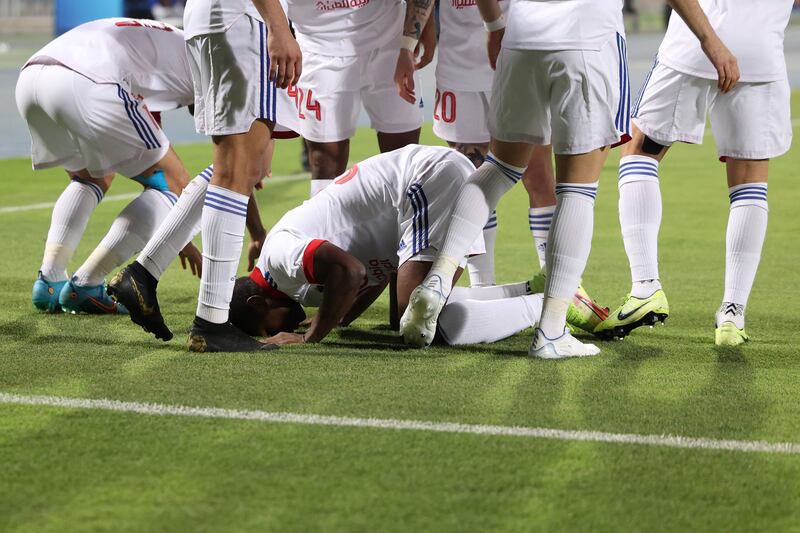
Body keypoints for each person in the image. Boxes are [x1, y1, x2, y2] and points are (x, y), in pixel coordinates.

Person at [399, 0, 737, 358]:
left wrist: (495, 26)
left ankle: (438, 278)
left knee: (497, 168)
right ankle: (551, 331)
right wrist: (709, 40)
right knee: (577, 189)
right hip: (588, 39)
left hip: (522, 37)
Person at [226, 145, 607, 345]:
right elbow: (364, 273)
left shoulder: (277, 257)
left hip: (423, 182)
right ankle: (532, 290)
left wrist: (311, 337)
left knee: (422, 324)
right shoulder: (288, 280)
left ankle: (549, 304)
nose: (272, 334)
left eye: (264, 329)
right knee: (405, 317)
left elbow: (349, 270)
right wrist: (338, 316)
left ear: (259, 302)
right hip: (421, 188)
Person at [597, 0, 791, 347]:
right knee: (750, 181)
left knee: (639, 152)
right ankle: (733, 314)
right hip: (761, 52)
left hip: (696, 44)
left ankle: (645, 287)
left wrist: (710, 41)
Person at [15, 17, 200, 314]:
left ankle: (49, 281)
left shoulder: (167, 43)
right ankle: (87, 284)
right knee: (171, 186)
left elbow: (144, 130)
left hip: (33, 77)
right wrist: (181, 234)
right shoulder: (207, 68)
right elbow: (182, 176)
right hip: (88, 82)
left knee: (90, 178)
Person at [397, 0, 557, 289]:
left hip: (515, 55)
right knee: (471, 176)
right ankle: (483, 286)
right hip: (459, 68)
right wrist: (416, 38)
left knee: (537, 176)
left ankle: (557, 283)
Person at [177, 0, 301, 352]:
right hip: (243, 18)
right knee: (235, 172)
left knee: (236, 169)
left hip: (217, 18)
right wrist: (279, 26)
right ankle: (211, 321)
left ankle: (149, 272)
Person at [283, 0, 431, 197]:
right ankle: (325, 227)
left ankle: (404, 226)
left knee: (403, 153)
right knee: (325, 159)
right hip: (318, 45)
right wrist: (278, 31)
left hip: (390, 39)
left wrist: (415, 36)